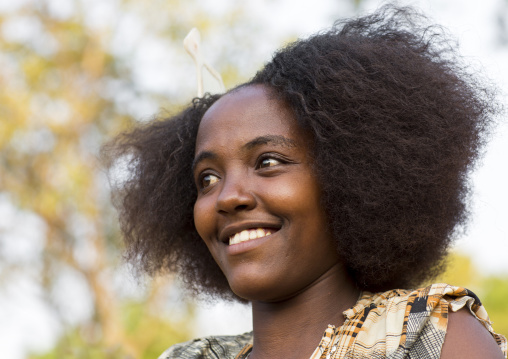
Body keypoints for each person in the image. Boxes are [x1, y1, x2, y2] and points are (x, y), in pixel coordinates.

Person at [102, 5, 507, 359]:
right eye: (207, 178)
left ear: (350, 178)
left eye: (268, 162)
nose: (227, 197)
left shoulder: (427, 337)